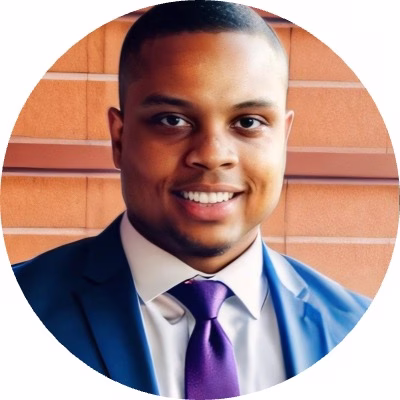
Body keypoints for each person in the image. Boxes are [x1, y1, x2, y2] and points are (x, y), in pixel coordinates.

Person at [13, 1, 370, 399]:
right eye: (172, 120)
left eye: (248, 122)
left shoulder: (361, 333)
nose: (212, 155)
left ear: (282, 139)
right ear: (119, 139)